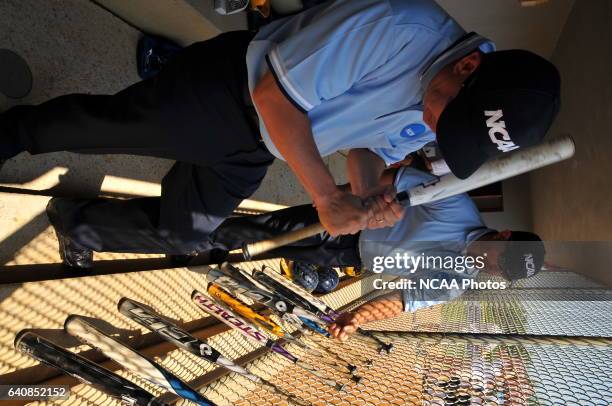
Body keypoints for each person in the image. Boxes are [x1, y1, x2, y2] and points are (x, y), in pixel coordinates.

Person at [0, 0, 559, 268]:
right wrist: (323, 195)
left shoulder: (446, 96)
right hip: (231, 95)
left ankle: (82, 227)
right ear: (467, 68)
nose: (436, 126)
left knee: (185, 234)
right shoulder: (401, 28)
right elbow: (275, 96)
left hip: (267, 147)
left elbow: (363, 149)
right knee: (101, 128)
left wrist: (365, 197)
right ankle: (16, 130)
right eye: (447, 118)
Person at [194, 166, 546, 340]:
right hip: (353, 221)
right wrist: (340, 198)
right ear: (504, 234)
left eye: (505, 271)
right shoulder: (457, 206)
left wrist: (357, 317)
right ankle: (189, 236)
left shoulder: (454, 283)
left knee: (266, 249)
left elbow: (404, 299)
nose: (496, 267)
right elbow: (397, 178)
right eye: (505, 257)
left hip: (350, 258)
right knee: (262, 230)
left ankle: (202, 245)